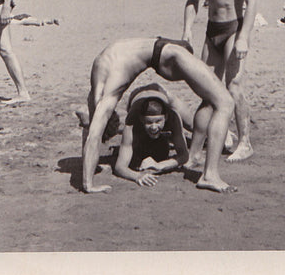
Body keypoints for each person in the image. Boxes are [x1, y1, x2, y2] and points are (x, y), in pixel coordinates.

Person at [81, 37, 235, 194]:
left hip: (167, 53)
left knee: (222, 102)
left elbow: (93, 135)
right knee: (222, 101)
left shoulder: (105, 95)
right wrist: (88, 180)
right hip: (161, 48)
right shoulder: (99, 74)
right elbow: (92, 133)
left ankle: (205, 165)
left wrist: (88, 184)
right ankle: (205, 167)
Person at [182, 0, 256, 163]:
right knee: (208, 89)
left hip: (233, 29)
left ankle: (245, 143)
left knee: (234, 87)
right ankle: (221, 134)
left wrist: (243, 37)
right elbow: (192, 0)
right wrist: (187, 31)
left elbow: (251, 2)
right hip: (211, 31)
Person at [113, 84, 189, 187]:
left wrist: (161, 165)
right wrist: (137, 176)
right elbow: (119, 167)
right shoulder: (131, 121)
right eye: (149, 122)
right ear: (141, 119)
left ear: (165, 117)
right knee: (132, 137)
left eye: (158, 121)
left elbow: (184, 155)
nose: (153, 127)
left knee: (194, 125)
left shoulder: (173, 117)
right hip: (136, 95)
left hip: (162, 92)